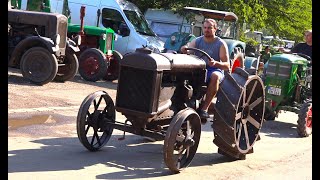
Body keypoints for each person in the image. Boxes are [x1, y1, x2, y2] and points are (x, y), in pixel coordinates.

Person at [180, 18, 230, 122]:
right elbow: (189, 47)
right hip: (199, 69)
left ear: (215, 29)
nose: (207, 30)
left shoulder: (220, 44)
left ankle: (204, 108)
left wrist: (216, 63)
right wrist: (185, 48)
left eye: (209, 28)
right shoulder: (198, 40)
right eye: (205, 28)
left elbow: (227, 65)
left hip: (214, 69)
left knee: (215, 76)